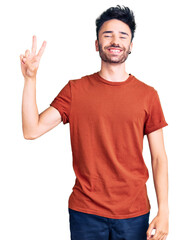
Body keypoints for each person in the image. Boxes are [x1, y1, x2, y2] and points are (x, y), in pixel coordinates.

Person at [20, 5, 169, 240]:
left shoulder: (148, 95)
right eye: (107, 34)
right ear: (96, 44)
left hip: (134, 213)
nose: (115, 40)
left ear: (131, 46)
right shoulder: (75, 91)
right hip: (85, 212)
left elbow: (159, 157)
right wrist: (30, 79)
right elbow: (31, 130)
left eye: (123, 36)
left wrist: (165, 210)